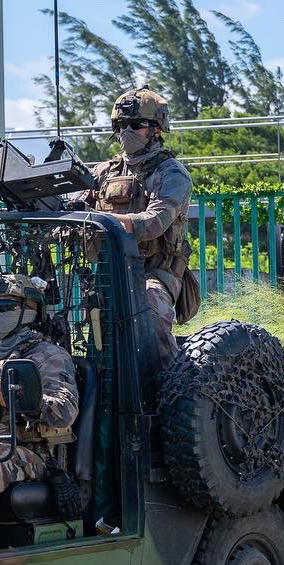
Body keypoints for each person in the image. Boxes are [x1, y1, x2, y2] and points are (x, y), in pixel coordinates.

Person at [78, 87, 196, 368]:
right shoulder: (103, 173)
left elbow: (154, 223)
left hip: (156, 273)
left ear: (156, 129)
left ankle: (170, 386)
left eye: (136, 125)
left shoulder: (171, 173)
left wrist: (104, 221)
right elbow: (73, 208)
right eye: (120, 125)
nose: (126, 131)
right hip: (110, 273)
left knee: (150, 312)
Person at [0, 274, 79, 499]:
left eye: (4, 307)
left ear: (28, 312)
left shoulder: (48, 356)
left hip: (34, 454)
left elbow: (65, 411)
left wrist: (13, 396)